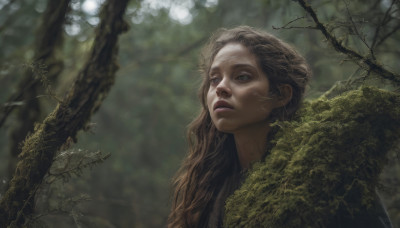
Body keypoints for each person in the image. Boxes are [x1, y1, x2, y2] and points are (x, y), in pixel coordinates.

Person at [167, 26, 393, 228]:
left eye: (242, 77)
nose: (221, 88)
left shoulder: (325, 171)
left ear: (281, 94)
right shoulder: (210, 185)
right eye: (214, 79)